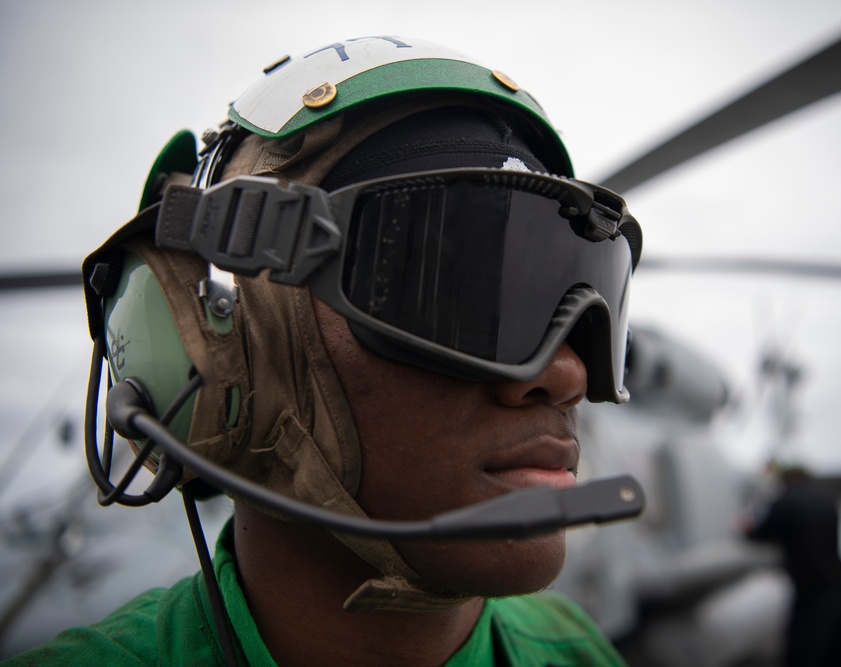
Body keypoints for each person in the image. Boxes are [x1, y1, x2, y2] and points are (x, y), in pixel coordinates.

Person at [3, 36, 643, 666]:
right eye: (451, 296)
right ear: (239, 351)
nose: (568, 373)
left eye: (586, 301)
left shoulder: (577, 648)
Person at [742, 461, 841, 667]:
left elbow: (759, 534)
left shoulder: (786, 502)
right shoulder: (826, 499)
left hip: (812, 592)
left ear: (786, 479)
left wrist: (745, 528)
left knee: (804, 654)